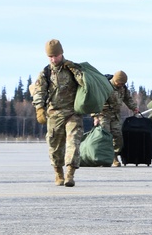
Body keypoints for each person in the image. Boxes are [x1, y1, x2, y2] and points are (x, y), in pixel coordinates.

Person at [32, 39, 85, 187]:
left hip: (73, 113)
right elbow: (39, 91)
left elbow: (85, 84)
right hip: (54, 113)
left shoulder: (72, 68)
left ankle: (70, 175)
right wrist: (39, 108)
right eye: (51, 57)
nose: (54, 59)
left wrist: (75, 70)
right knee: (54, 146)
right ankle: (58, 173)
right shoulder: (46, 72)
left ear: (62, 53)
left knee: (73, 143)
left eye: (56, 56)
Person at [95, 71, 140, 167]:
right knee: (105, 136)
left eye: (123, 84)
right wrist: (95, 116)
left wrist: (134, 108)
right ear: (115, 81)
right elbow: (96, 100)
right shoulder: (105, 86)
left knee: (118, 136)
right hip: (104, 115)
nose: (121, 85)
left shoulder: (123, 88)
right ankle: (104, 158)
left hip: (115, 115)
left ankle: (115, 156)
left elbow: (128, 99)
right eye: (120, 83)